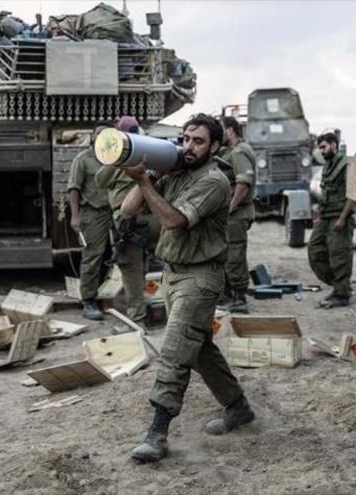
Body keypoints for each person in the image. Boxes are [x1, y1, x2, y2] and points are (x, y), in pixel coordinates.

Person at [120, 113, 254, 463]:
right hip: (174, 275)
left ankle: (157, 432)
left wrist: (148, 184)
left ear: (214, 145)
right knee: (196, 348)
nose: (188, 147)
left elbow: (173, 220)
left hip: (201, 277)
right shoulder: (175, 172)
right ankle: (237, 406)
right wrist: (147, 177)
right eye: (185, 139)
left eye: (198, 141)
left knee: (176, 349)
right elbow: (127, 208)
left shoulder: (214, 181)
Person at [94, 116, 156, 328]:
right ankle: (143, 315)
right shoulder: (148, 153)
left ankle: (136, 323)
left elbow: (99, 181)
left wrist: (114, 156)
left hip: (127, 221)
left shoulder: (121, 156)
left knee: (130, 272)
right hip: (148, 219)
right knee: (141, 269)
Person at [68, 126, 113, 320]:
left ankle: (116, 298)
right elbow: (73, 189)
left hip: (114, 211)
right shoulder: (82, 159)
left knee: (121, 254)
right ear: (94, 139)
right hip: (92, 213)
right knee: (92, 257)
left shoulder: (114, 158)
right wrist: (75, 215)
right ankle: (88, 301)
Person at [307, 132, 355, 308]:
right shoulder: (327, 166)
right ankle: (337, 285)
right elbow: (324, 193)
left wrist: (343, 218)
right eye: (319, 148)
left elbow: (353, 194)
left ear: (334, 145)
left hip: (339, 216)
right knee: (314, 251)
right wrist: (318, 215)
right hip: (325, 216)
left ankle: (342, 293)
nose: (321, 151)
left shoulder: (345, 164)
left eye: (324, 147)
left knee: (339, 255)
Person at [216, 116, 256, 314]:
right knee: (226, 253)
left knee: (235, 255)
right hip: (233, 213)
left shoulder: (239, 152)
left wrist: (230, 207)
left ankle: (240, 297)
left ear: (230, 131)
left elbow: (243, 183)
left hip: (237, 213)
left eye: (220, 130)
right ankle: (228, 294)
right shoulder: (230, 151)